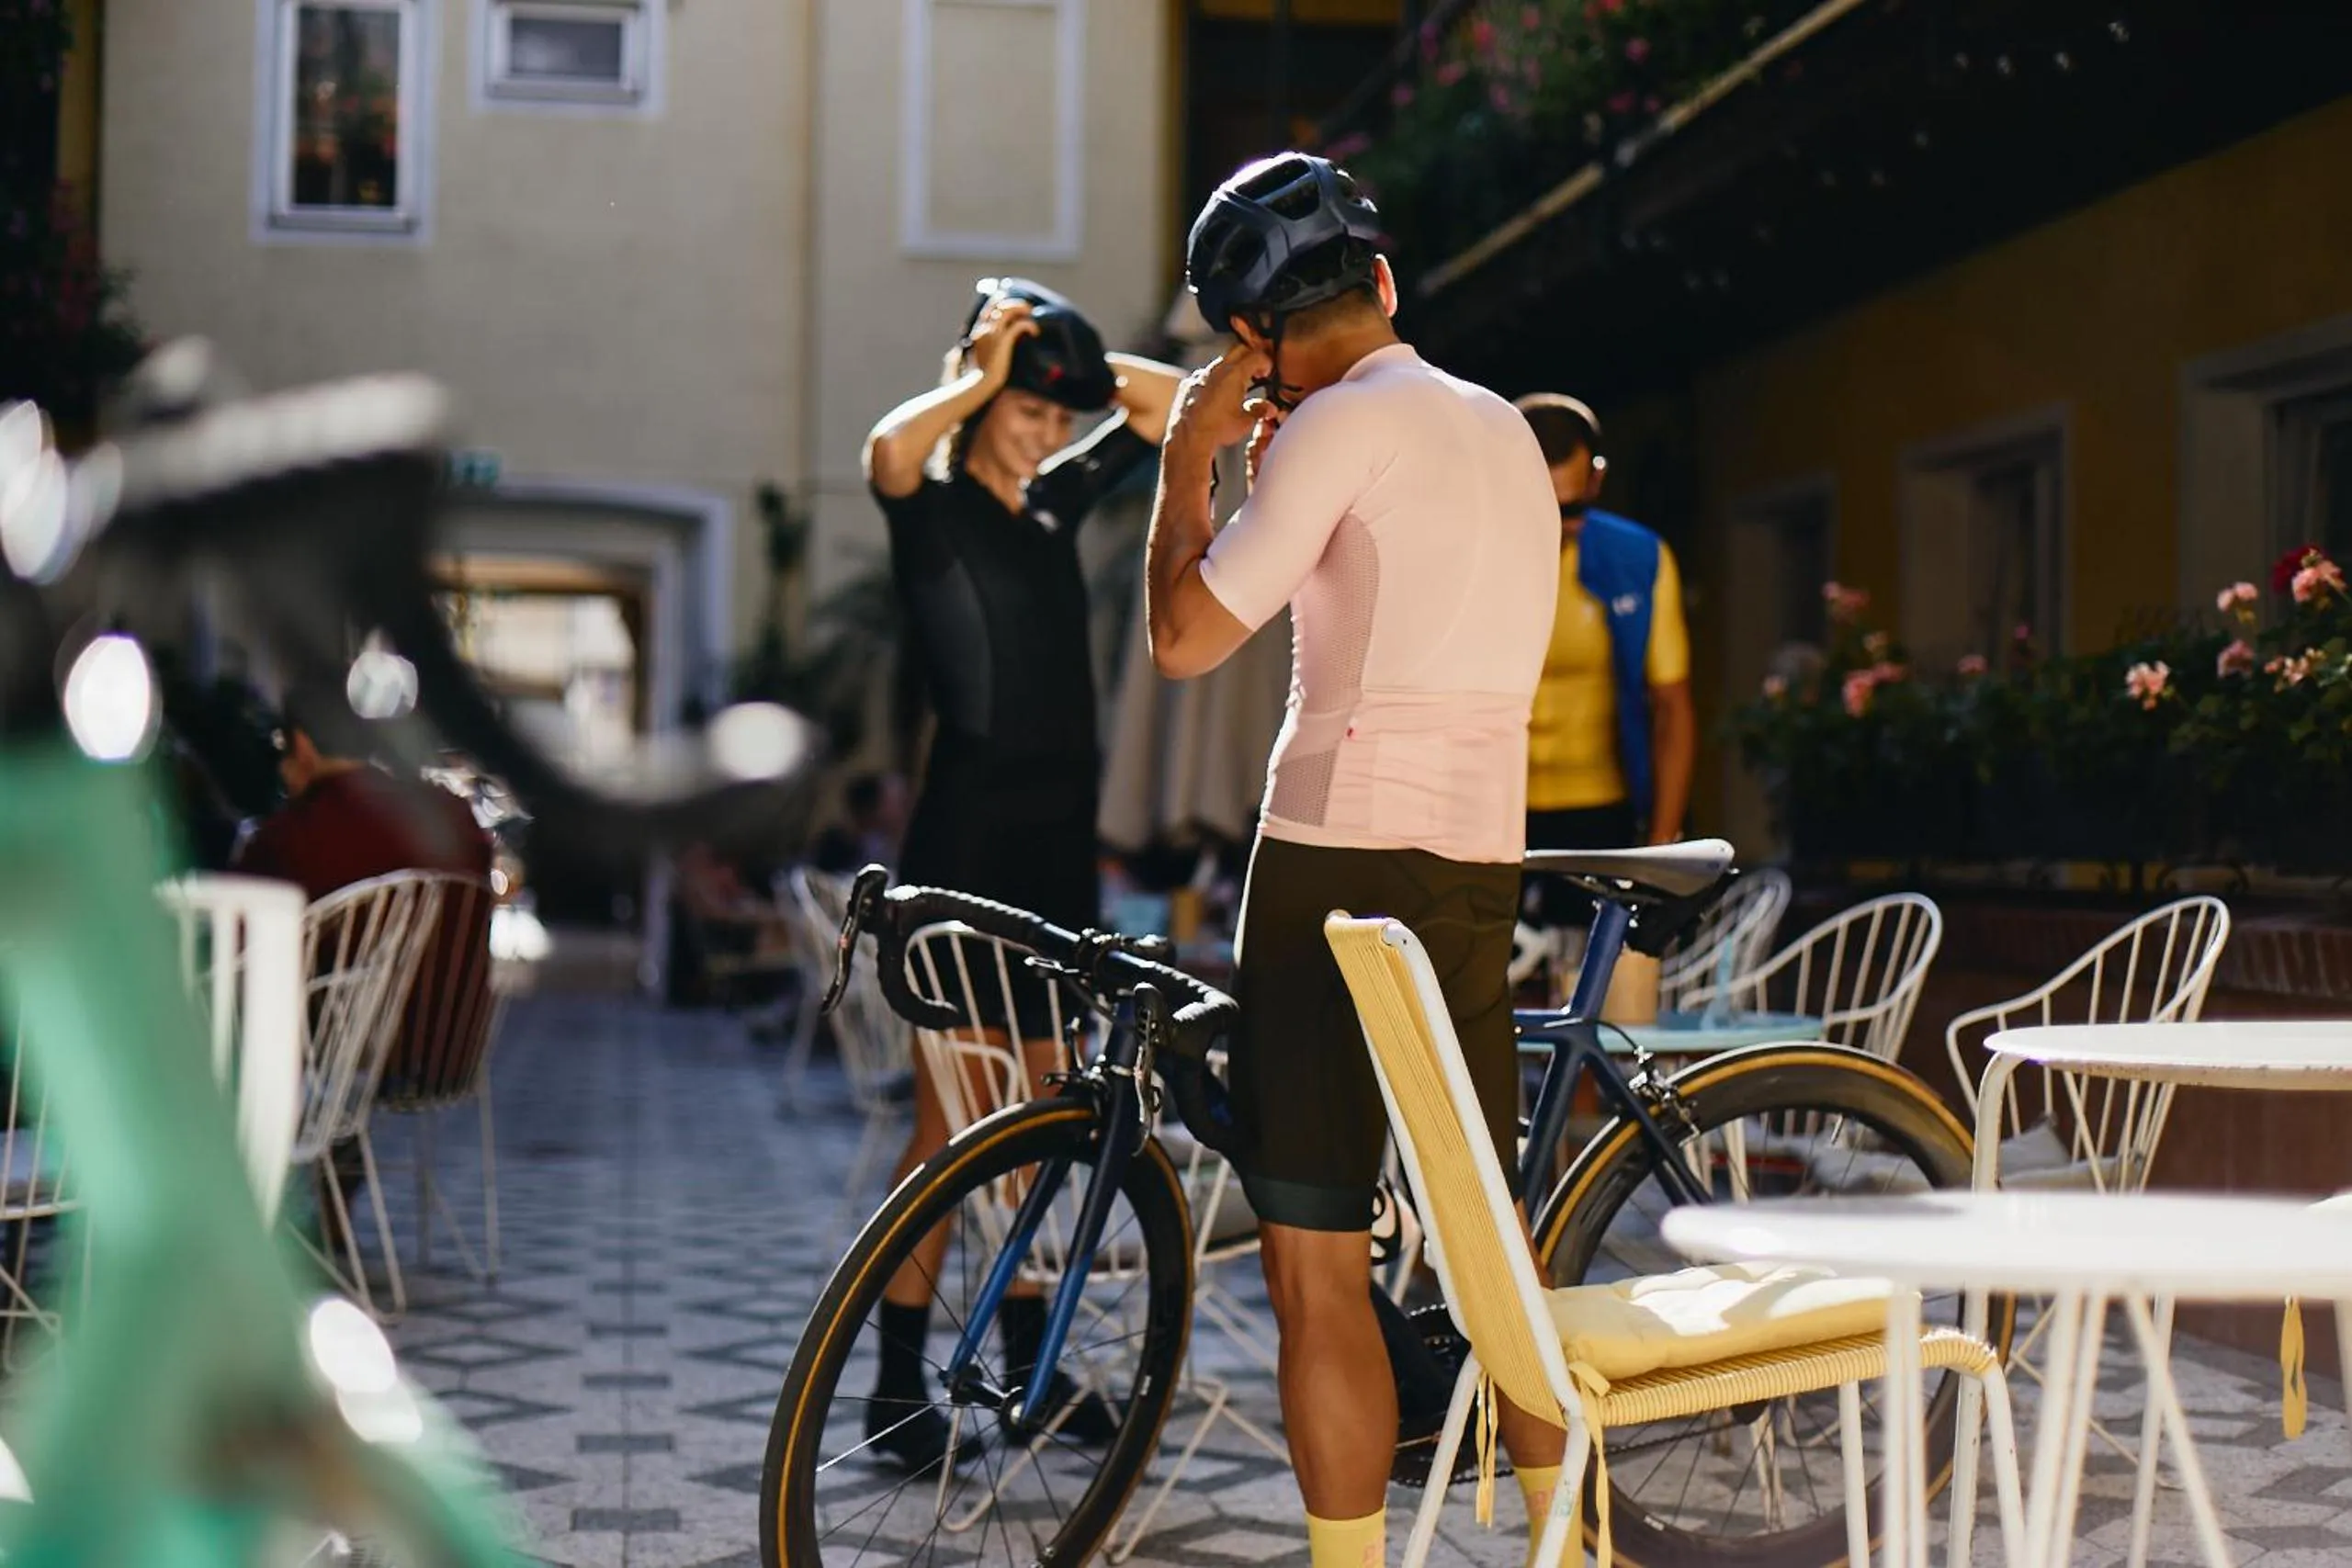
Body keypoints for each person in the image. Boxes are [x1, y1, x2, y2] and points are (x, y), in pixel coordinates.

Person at [1146, 152, 1566, 1568]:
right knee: (1491, 1254)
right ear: (1382, 282)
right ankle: (1565, 1545)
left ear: (1249, 337)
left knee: (1317, 1254)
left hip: (1334, 856)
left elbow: (1189, 637)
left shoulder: (1331, 431)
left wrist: (1186, 468)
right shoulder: (1505, 426)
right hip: (1476, 860)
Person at [860, 276, 1184, 1469]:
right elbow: (889, 448)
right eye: (1028, 410)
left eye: (1060, 415)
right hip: (970, 847)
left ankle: (1029, 1369)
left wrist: (1079, 371)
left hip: (1054, 854)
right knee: (957, 1127)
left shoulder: (1051, 506)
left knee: (1047, 1117)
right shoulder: (934, 509)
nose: (1047, 432)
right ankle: (895, 1387)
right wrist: (984, 372)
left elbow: (1170, 409)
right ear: (984, 393)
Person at [234, 681, 495, 1259]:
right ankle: (324, 1191)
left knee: (241, 1010)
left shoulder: (296, 836)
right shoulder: (451, 815)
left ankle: (242, 1226)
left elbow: (238, 946)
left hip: (350, 1050)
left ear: (301, 745)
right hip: (446, 1046)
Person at [1513, 393, 1694, 863]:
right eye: (1540, 507)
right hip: (1493, 808)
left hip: (1602, 807)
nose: (1556, 525)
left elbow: (1672, 707)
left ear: (1596, 478)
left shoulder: (1639, 558)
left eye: (1570, 510)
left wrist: (1661, 848)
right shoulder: (1469, 559)